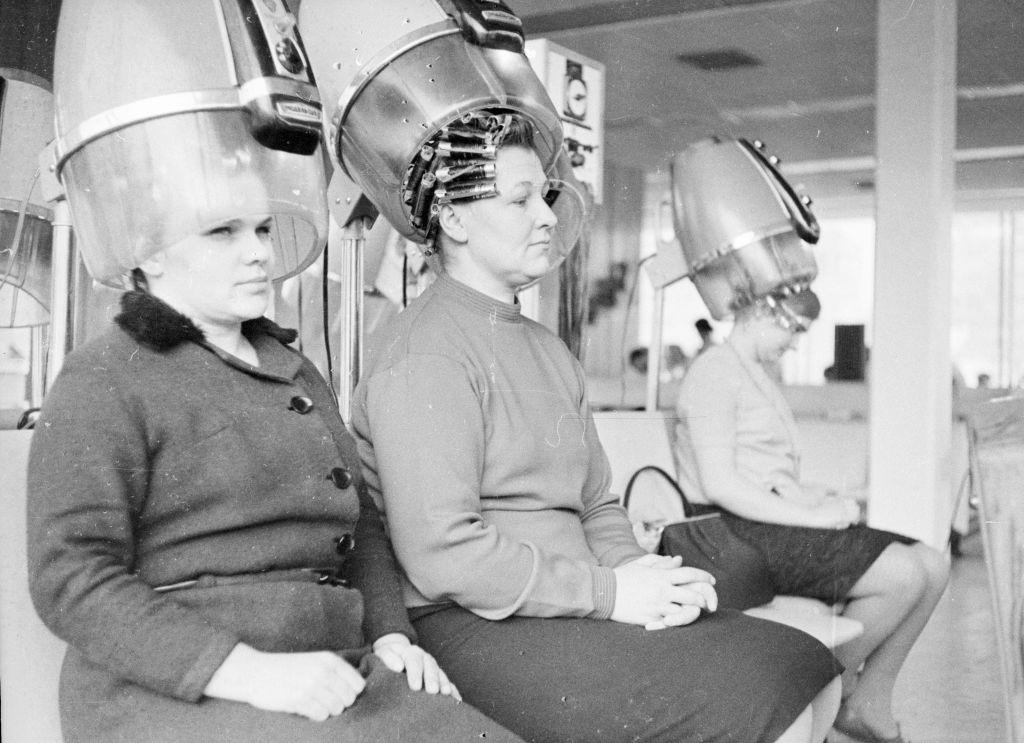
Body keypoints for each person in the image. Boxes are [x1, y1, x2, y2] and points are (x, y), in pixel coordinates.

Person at [352, 111, 843, 743]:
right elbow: (444, 553)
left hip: (570, 599)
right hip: (470, 622)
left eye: (547, 197)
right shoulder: (427, 353)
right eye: (521, 198)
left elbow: (597, 503)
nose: (549, 217)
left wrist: (641, 573)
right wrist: (609, 593)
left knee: (808, 668)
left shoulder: (547, 349)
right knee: (765, 700)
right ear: (453, 218)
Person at [26, 219, 521, 742]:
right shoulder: (104, 375)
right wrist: (249, 673)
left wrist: (391, 636)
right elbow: (70, 577)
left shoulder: (294, 369)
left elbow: (361, 525)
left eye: (262, 229)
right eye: (222, 232)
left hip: (330, 667)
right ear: (150, 254)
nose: (259, 252)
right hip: (174, 690)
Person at [674, 289, 949, 743]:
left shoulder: (753, 371)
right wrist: (816, 519)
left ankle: (868, 700)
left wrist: (816, 499)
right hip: (730, 533)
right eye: (794, 329)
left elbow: (766, 474)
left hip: (762, 521)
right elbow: (721, 484)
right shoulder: (714, 372)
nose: (797, 342)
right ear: (761, 311)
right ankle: (818, 684)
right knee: (902, 575)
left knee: (933, 565)